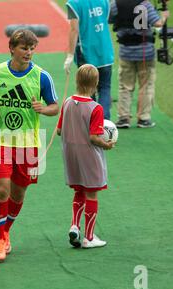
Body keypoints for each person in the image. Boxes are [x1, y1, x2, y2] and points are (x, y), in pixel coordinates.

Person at [0, 29, 59, 263]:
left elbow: (55, 106)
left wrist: (44, 109)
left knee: (18, 193)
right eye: (24, 48)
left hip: (28, 144)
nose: (29, 52)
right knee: (2, 189)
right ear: (12, 48)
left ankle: (6, 231)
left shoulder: (42, 77)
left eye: (32, 48)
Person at [57, 64, 115, 249]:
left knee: (78, 190)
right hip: (89, 156)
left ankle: (75, 225)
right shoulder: (95, 108)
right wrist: (106, 144)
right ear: (96, 83)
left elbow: (59, 130)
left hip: (70, 154)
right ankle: (89, 237)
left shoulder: (66, 102)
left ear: (77, 80)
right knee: (91, 193)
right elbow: (93, 137)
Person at [109, 0, 170, 128]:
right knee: (146, 85)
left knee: (125, 86)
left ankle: (123, 118)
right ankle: (143, 118)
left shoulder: (116, 4)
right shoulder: (145, 4)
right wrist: (164, 16)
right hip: (145, 52)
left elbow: (109, 19)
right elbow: (157, 23)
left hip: (126, 51)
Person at [63, 0, 114, 120]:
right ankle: (105, 122)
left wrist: (70, 55)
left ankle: (93, 122)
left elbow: (74, 30)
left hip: (87, 52)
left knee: (88, 89)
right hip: (105, 50)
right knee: (105, 87)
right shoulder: (104, 1)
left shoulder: (74, 4)